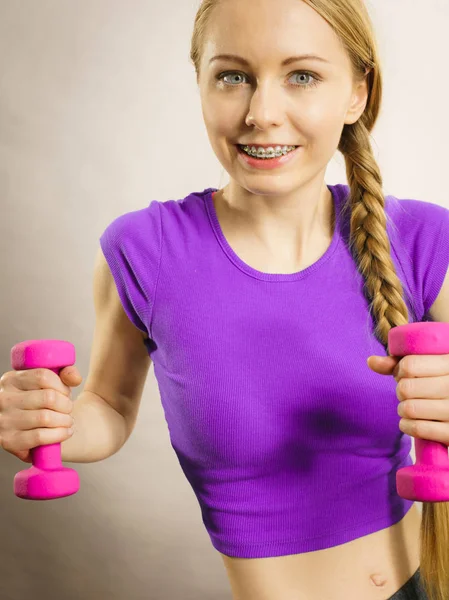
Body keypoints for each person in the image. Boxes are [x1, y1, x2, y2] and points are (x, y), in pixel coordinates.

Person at [1, 0, 449, 599]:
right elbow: (106, 407)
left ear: (357, 93)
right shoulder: (144, 251)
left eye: (303, 76)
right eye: (233, 76)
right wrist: (50, 423)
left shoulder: (424, 241)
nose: (262, 114)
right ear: (201, 84)